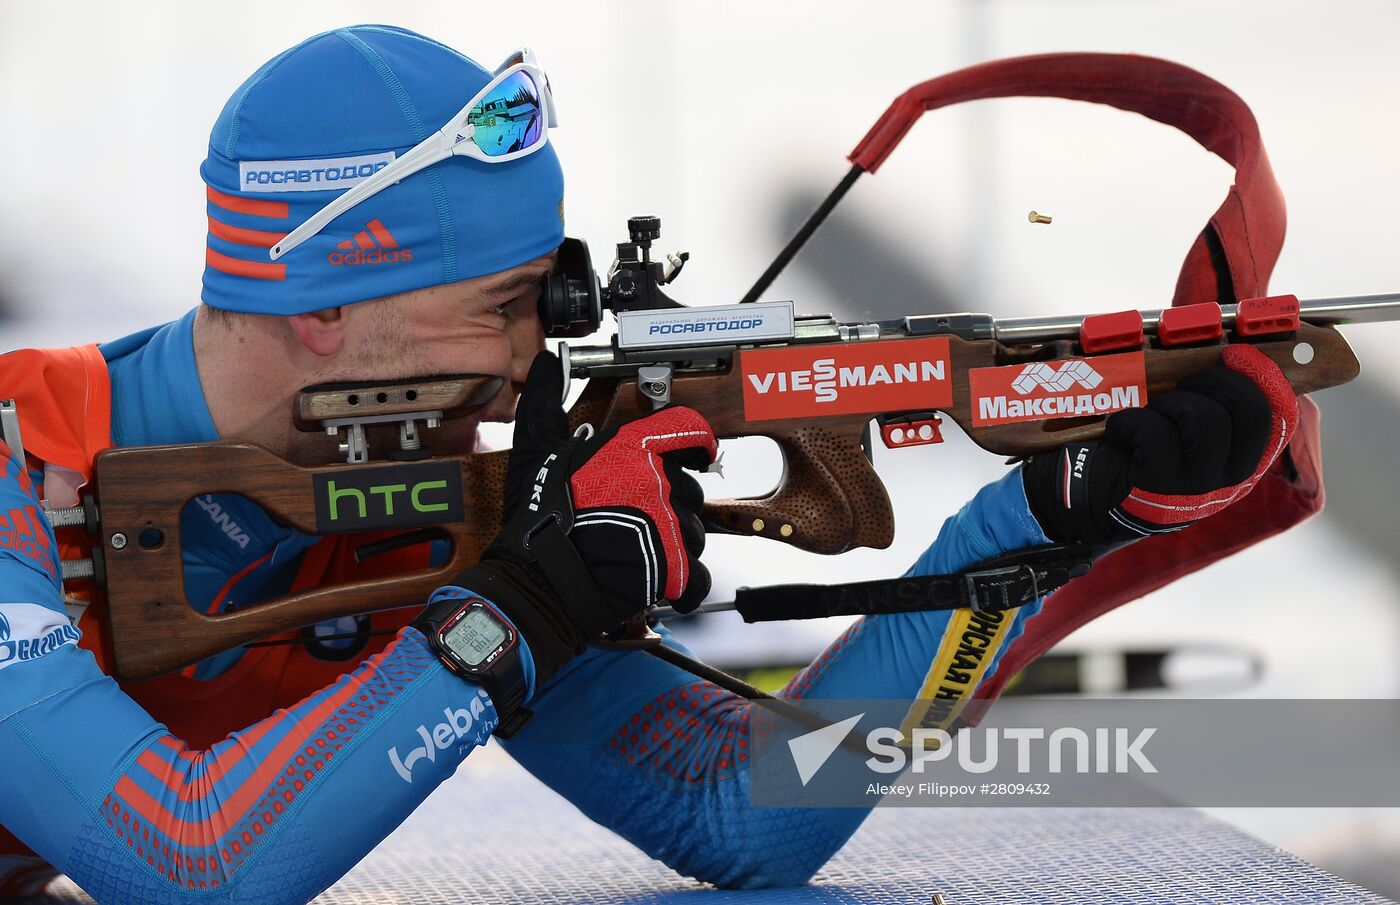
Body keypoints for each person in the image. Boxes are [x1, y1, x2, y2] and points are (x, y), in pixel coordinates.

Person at [0, 25, 1294, 903]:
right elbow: (189, 864)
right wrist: (509, 624)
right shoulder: (17, 454)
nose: (529, 363)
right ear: (322, 310)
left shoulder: (413, 510)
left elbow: (751, 815)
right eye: (497, 306)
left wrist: (1032, 535)